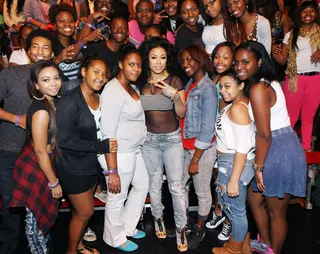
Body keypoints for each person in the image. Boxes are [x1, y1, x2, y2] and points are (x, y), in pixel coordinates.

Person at [235, 40, 306, 254]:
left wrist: (258, 168)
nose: (239, 67)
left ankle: (273, 250)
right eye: (237, 62)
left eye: (245, 62)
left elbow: (265, 135)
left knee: (277, 212)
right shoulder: (266, 81)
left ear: (259, 61)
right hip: (279, 145)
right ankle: (266, 244)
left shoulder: (258, 88)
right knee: (254, 198)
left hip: (277, 150)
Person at [0, 29, 56, 254]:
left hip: (42, 154)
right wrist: (16, 119)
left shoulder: (55, 78)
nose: (40, 51)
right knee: (10, 203)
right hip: (10, 148)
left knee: (41, 204)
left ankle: (40, 246)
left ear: (52, 52)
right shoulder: (10, 75)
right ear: (27, 49)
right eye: (36, 46)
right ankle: (9, 247)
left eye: (46, 47)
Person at [56, 56, 116, 254]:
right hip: (73, 167)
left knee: (79, 212)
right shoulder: (70, 101)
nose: (100, 77)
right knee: (85, 212)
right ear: (83, 72)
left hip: (91, 164)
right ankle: (71, 251)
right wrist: (99, 145)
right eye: (95, 72)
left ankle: (80, 245)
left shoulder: (99, 97)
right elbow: (64, 140)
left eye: (103, 74)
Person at [138, 38, 188, 252]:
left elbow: (181, 113)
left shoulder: (175, 80)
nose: (158, 62)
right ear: (147, 59)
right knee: (155, 184)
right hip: (149, 141)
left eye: (162, 57)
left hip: (172, 140)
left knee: (176, 187)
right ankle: (158, 218)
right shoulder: (140, 82)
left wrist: (175, 95)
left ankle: (181, 228)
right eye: (153, 57)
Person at [99, 45, 149, 252]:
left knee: (141, 186)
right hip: (119, 154)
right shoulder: (112, 90)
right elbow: (108, 134)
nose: (136, 69)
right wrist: (112, 171)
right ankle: (114, 238)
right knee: (117, 196)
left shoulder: (132, 87)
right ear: (120, 64)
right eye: (131, 64)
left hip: (133, 150)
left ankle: (127, 226)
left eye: (138, 65)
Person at [10, 60, 62, 254]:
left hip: (44, 162)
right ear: (36, 85)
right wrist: (53, 183)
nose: (54, 84)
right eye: (46, 80)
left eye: (56, 78)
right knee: (35, 222)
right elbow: (40, 150)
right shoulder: (41, 110)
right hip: (36, 165)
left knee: (41, 218)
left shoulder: (51, 102)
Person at [178, 44, 218, 249]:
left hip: (200, 151)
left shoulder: (207, 88)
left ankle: (200, 228)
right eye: (183, 61)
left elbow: (207, 127)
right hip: (187, 146)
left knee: (202, 191)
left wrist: (195, 159)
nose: (186, 64)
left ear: (200, 60)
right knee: (180, 186)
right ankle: (184, 224)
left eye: (190, 60)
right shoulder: (190, 85)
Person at [211, 69, 255, 254]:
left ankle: (233, 250)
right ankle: (242, 246)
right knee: (231, 207)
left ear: (241, 85)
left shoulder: (238, 108)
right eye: (221, 86)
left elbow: (242, 149)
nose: (222, 90)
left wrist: (234, 179)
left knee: (235, 211)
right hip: (228, 162)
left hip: (232, 163)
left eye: (227, 86)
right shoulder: (236, 103)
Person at [272, 0, 320, 151]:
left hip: (316, 79)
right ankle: (285, 149)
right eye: (304, 11)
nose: (308, 14)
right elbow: (282, 61)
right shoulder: (290, 35)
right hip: (295, 79)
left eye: (311, 10)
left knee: (308, 118)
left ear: (316, 14)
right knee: (291, 117)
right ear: (299, 14)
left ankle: (306, 149)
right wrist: (275, 53)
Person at [206, 41, 236, 242]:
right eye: (217, 56)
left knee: (227, 181)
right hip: (214, 137)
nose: (220, 61)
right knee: (217, 180)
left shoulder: (231, 81)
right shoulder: (213, 78)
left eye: (225, 57)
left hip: (228, 138)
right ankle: (218, 211)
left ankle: (229, 221)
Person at [256, 0, 291, 82]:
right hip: (260, 50)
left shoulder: (281, 17)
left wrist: (278, 48)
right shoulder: (256, 17)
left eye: (263, 6)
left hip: (277, 52)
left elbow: (287, 38)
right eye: (259, 6)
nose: (260, 9)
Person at [49, 3, 81, 81]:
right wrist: (58, 60)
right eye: (62, 21)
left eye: (71, 21)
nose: (67, 24)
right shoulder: (51, 46)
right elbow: (44, 70)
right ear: (55, 26)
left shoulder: (77, 43)